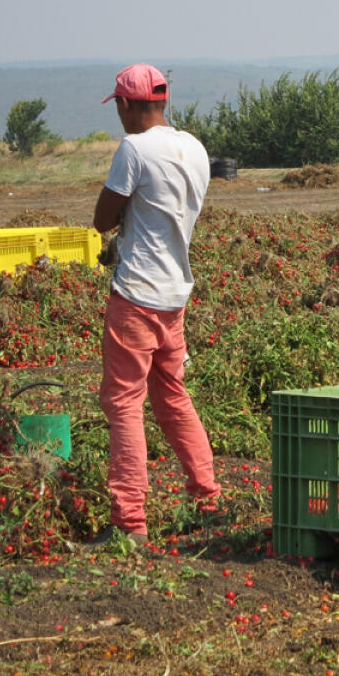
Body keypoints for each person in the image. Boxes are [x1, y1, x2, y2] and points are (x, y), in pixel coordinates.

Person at [88, 63, 220, 548]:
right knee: (171, 396)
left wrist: (120, 222)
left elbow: (102, 218)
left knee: (124, 403)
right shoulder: (195, 148)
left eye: (119, 107)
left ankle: (129, 521)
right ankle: (208, 498)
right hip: (174, 295)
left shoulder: (135, 149)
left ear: (127, 104)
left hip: (137, 294)